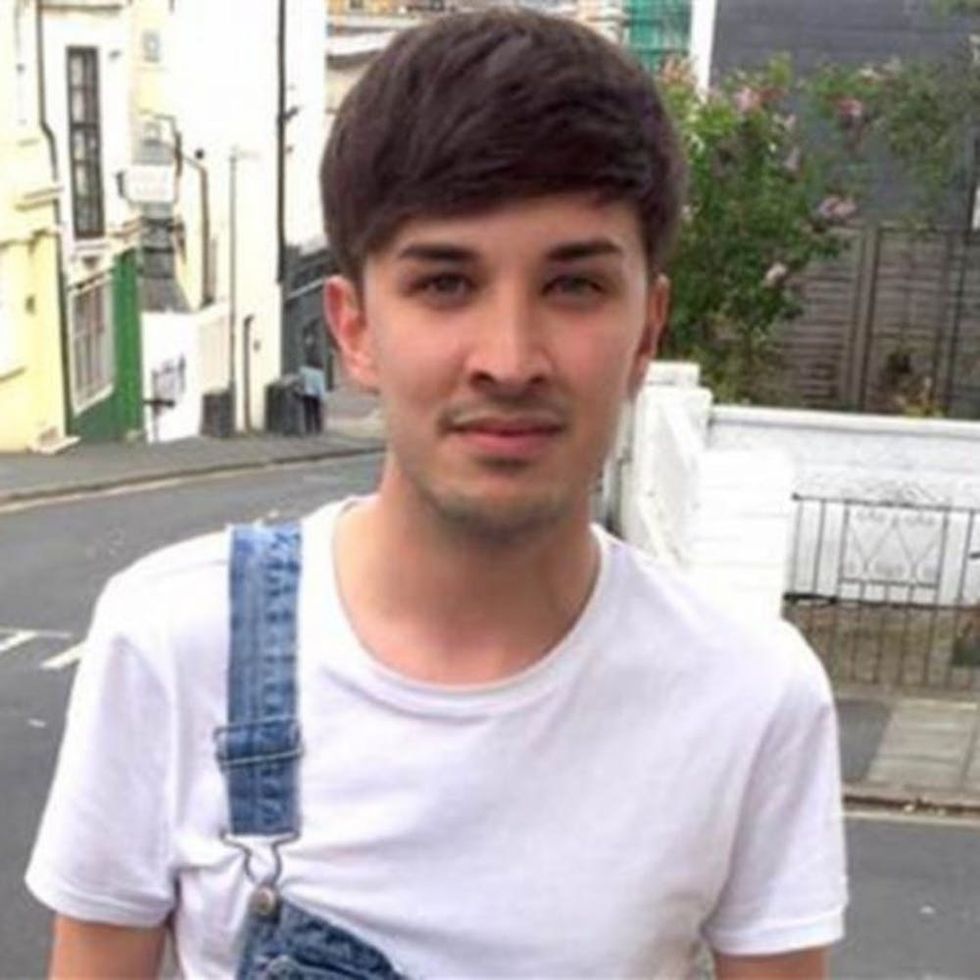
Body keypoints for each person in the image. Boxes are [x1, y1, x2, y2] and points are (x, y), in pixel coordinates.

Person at [26, 10, 847, 978]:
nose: (509, 358)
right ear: (354, 327)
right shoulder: (175, 639)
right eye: (446, 283)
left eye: (575, 286)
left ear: (645, 330)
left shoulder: (750, 695)